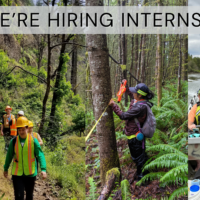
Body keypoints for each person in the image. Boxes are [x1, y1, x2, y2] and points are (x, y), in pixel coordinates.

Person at [109, 80, 154, 180]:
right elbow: (131, 94)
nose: (132, 93)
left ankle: (141, 177)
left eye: (135, 92)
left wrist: (113, 106)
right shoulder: (138, 101)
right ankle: (146, 172)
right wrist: (126, 87)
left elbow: (123, 115)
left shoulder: (140, 107)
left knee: (138, 158)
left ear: (139, 95)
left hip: (135, 137)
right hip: (134, 136)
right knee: (141, 156)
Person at [3, 116, 47, 200]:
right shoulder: (14, 141)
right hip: (17, 173)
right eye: (19, 130)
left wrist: (43, 169)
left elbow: (40, 155)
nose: (21, 132)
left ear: (27, 128)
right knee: (19, 196)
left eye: (23, 129)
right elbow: (9, 156)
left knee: (29, 196)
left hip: (30, 174)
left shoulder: (34, 140)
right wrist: (6, 168)